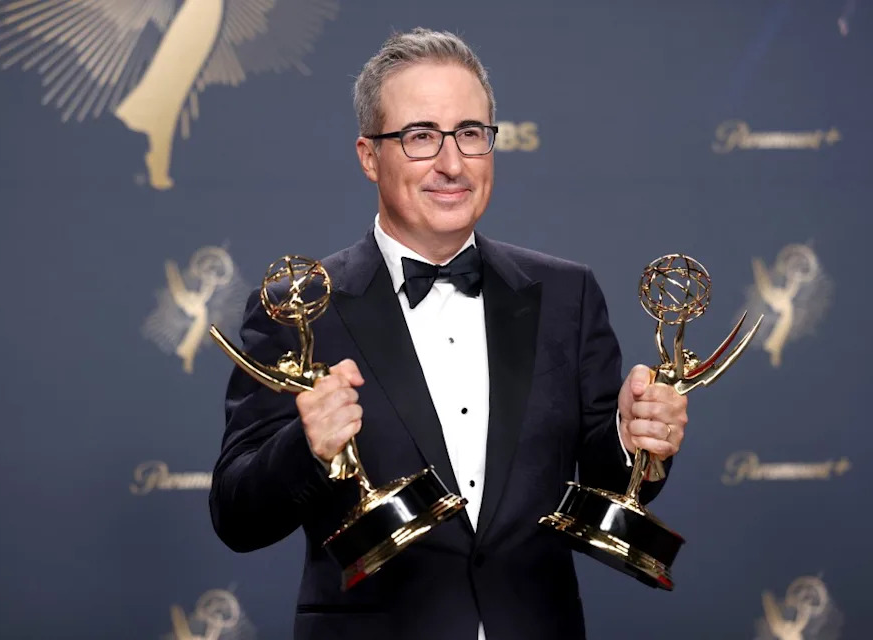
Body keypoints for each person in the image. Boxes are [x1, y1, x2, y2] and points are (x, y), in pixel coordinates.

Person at [209, 27, 689, 640]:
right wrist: (307, 447)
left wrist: (634, 439)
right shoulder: (297, 309)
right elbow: (236, 516)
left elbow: (603, 482)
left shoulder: (567, 295)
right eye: (419, 137)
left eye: (470, 134)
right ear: (367, 155)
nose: (452, 163)